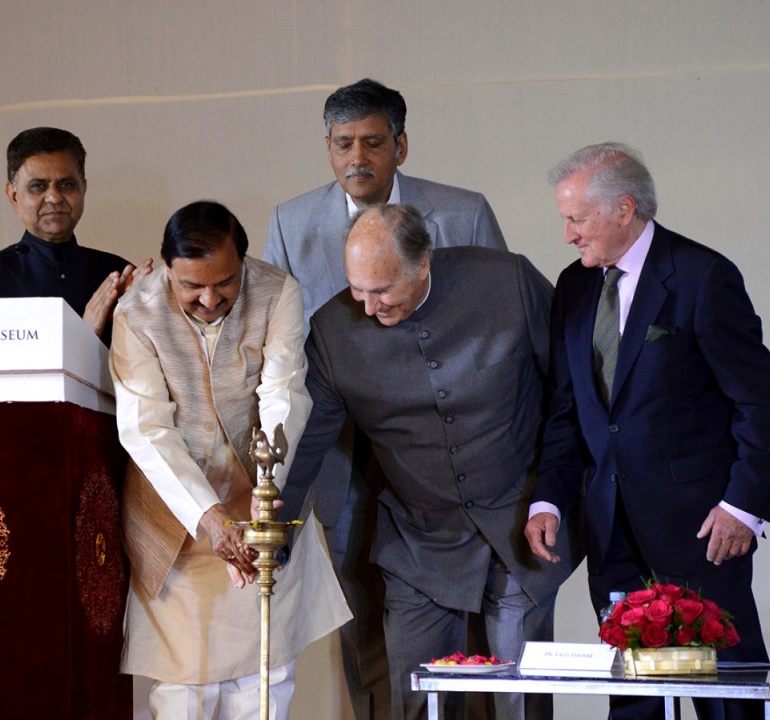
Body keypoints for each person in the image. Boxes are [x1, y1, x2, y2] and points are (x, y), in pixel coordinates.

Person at [263, 77, 507, 720]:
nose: (357, 158)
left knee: (476, 600)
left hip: (449, 449)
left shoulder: (463, 213)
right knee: (364, 605)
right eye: (342, 144)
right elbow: (280, 351)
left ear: (401, 144)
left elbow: (501, 328)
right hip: (344, 451)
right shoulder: (291, 223)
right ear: (327, 146)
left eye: (372, 142)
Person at [284, 204, 581, 720]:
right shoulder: (333, 331)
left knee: (517, 701)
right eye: (358, 290)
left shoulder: (507, 282)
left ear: (423, 265)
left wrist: (558, 496)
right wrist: (273, 527)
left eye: (382, 290)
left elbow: (571, 394)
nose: (369, 307)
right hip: (418, 541)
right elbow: (306, 443)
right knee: (414, 696)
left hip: (519, 529)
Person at [525, 142, 770, 720]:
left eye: (577, 218)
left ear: (624, 208)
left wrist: (744, 506)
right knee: (633, 698)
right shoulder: (575, 286)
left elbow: (762, 400)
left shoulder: (702, 277)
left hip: (701, 530)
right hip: (611, 529)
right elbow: (570, 409)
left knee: (726, 697)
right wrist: (549, 498)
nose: (567, 234)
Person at [110, 201, 350, 719]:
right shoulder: (136, 313)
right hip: (178, 519)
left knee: (266, 680)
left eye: (224, 282)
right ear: (167, 268)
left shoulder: (277, 291)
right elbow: (146, 428)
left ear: (242, 261)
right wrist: (209, 517)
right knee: (183, 691)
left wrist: (265, 497)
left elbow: (284, 394)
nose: (210, 298)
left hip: (264, 499)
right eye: (192, 286)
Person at [0, 127, 151, 345]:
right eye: (38, 186)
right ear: (13, 196)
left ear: (83, 189)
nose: (54, 198)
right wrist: (85, 334)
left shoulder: (117, 274)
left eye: (66, 185)